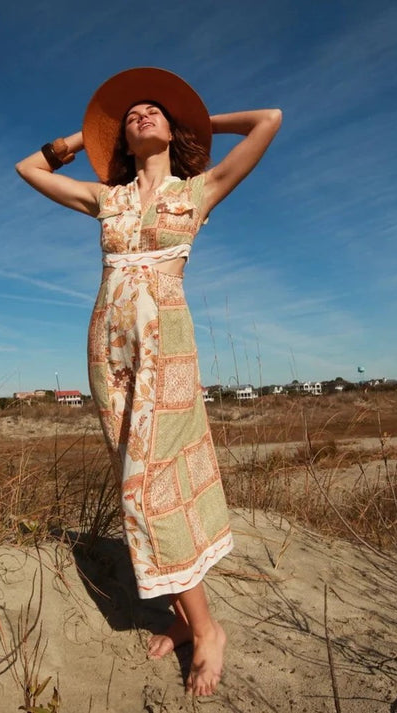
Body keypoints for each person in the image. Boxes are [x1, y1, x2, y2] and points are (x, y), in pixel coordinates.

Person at [16, 67, 282, 697]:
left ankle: (208, 628)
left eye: (153, 111)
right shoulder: (105, 199)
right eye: (130, 115)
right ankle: (184, 618)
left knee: (154, 482)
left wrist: (194, 117)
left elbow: (268, 118)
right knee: (132, 477)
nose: (141, 114)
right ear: (123, 139)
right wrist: (83, 138)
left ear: (172, 130)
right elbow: (29, 169)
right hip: (107, 348)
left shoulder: (199, 191)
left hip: (167, 348)